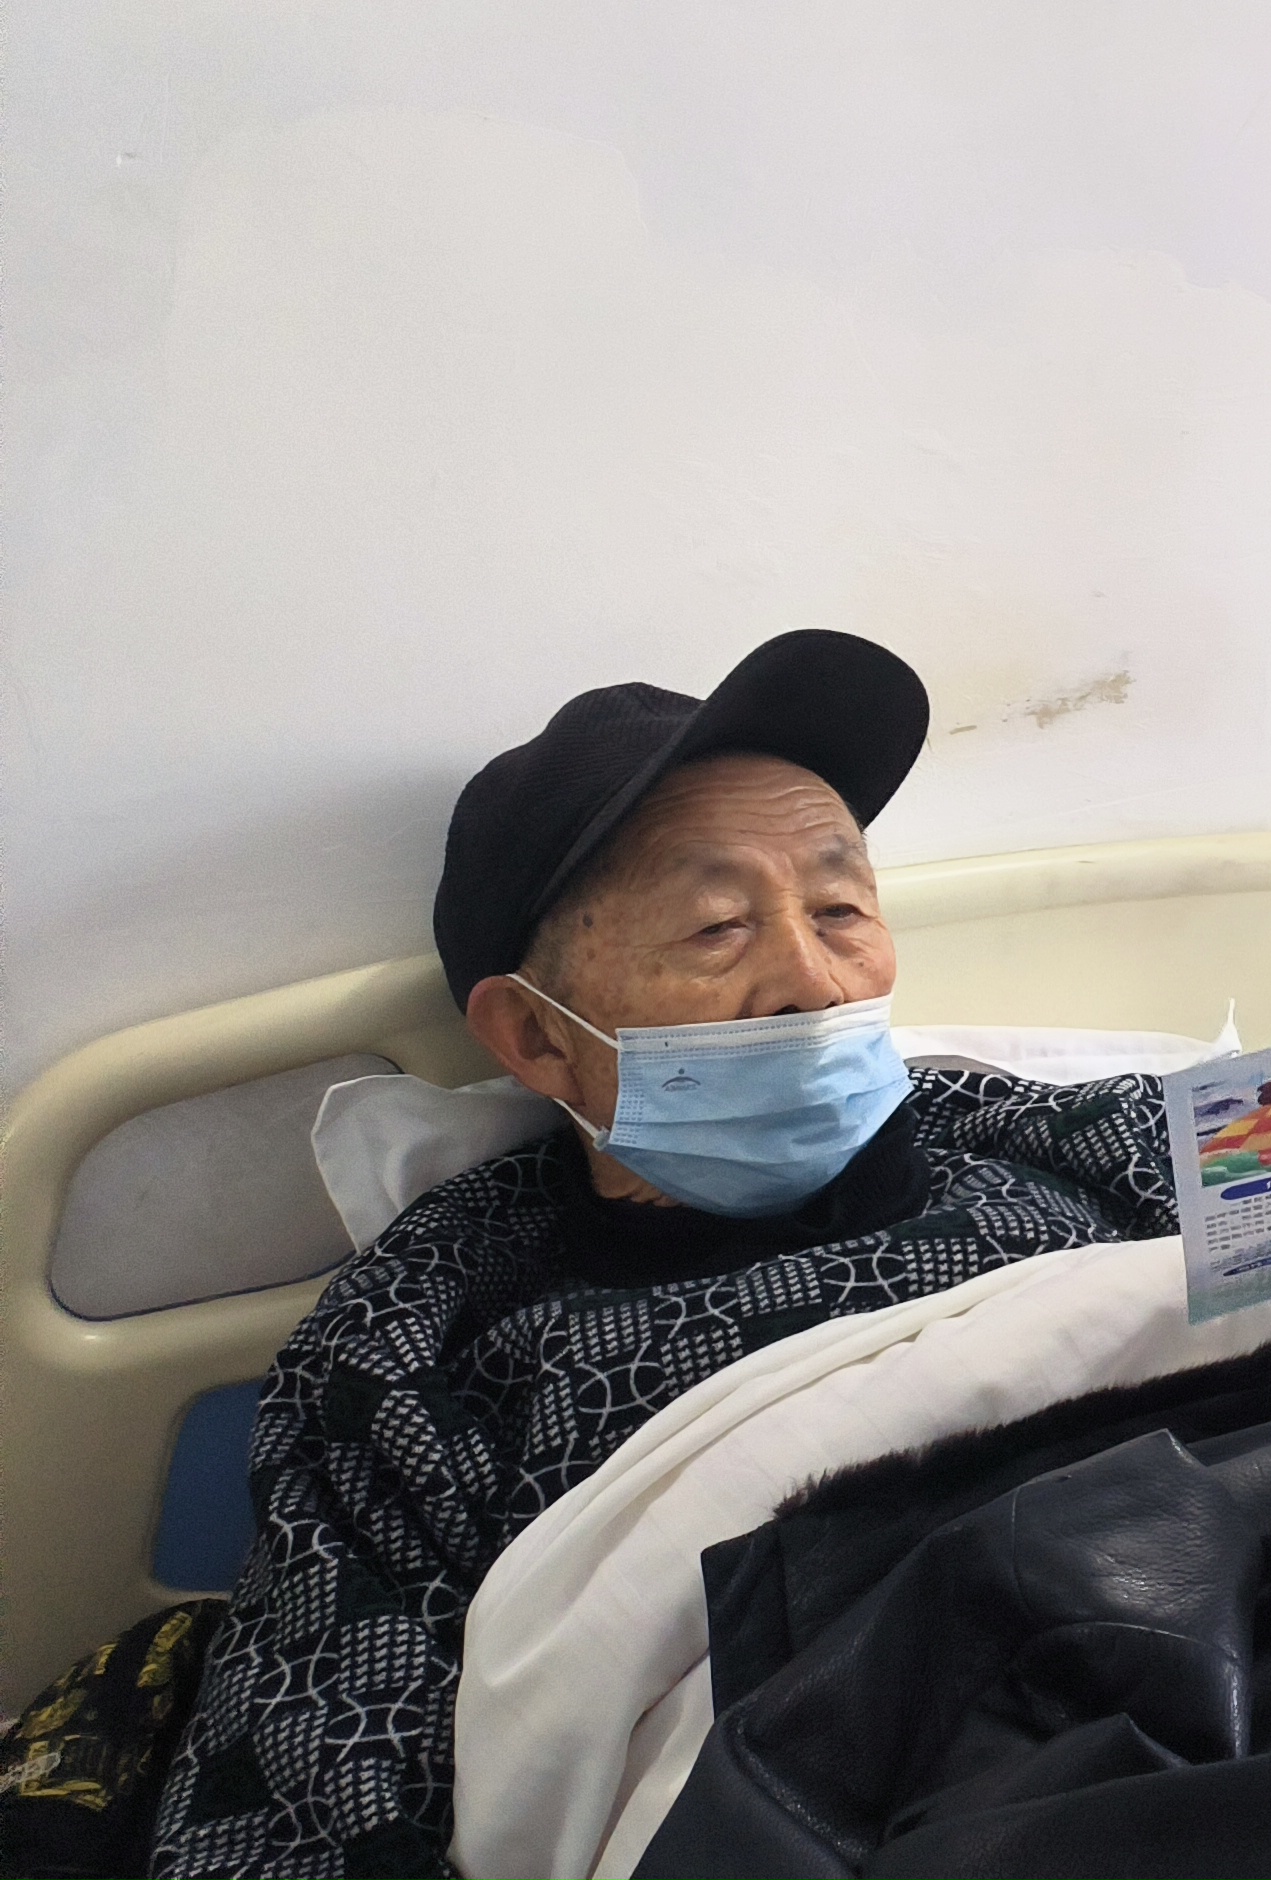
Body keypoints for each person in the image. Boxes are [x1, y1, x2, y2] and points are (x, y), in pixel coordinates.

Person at [146, 631, 1179, 1880]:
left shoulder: (1041, 1130)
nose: (814, 981)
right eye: (717, 928)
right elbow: (306, 1794)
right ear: (537, 1038)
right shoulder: (420, 1338)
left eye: (841, 909)